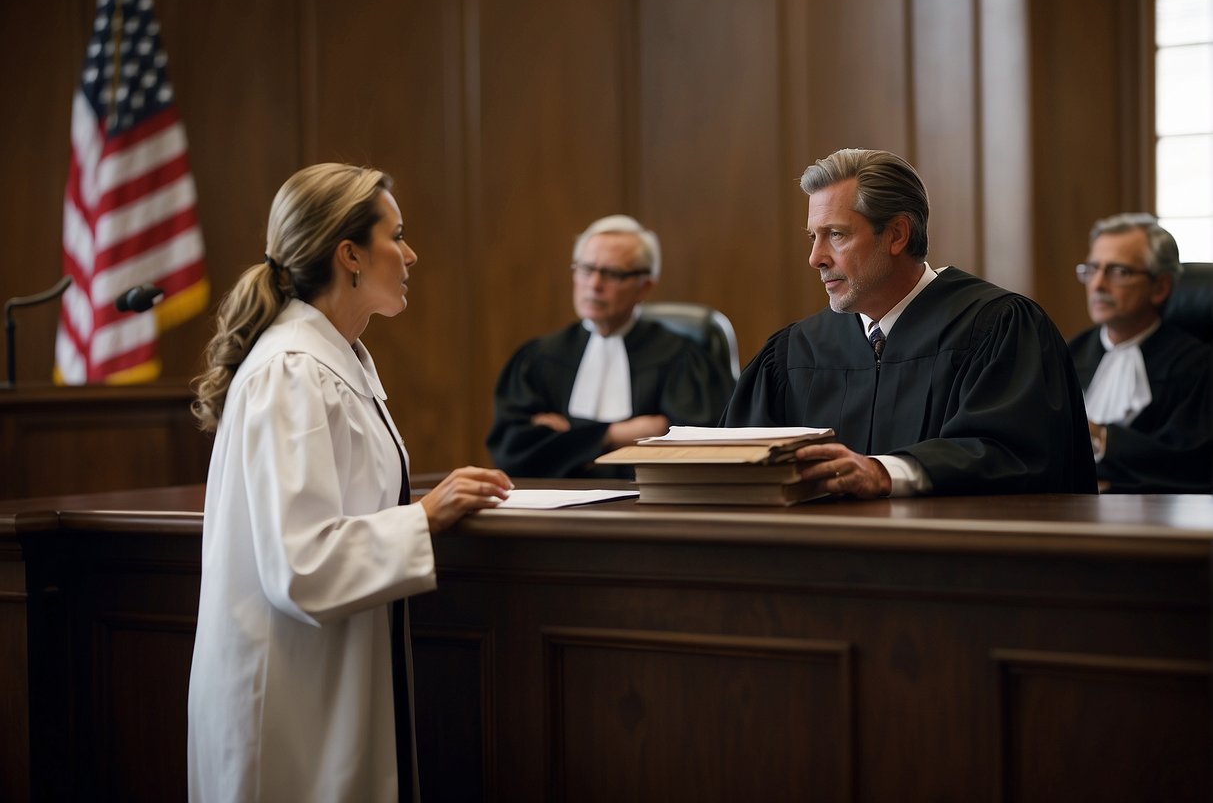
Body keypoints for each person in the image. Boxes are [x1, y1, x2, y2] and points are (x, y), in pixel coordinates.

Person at [187, 163, 512, 802]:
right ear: (350, 255)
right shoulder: (292, 371)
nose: (412, 253)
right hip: (285, 696)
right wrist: (424, 516)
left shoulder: (338, 359)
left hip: (324, 679)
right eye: (398, 235)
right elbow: (300, 564)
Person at [721, 147, 1097, 498]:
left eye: (836, 235)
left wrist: (886, 472)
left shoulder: (998, 328)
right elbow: (737, 462)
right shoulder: (795, 351)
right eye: (813, 237)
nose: (816, 258)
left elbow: (1017, 456)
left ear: (897, 234)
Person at [486, 214, 734, 478]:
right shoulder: (539, 358)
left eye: (612, 274)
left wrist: (570, 436)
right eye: (586, 269)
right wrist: (617, 434)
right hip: (556, 508)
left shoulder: (681, 358)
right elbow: (512, 451)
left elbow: (701, 447)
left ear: (644, 286)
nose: (594, 285)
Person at [1068, 213, 1212, 493]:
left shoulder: (1197, 366)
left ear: (1160, 287)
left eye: (1118, 271)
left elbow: (1189, 462)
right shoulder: (1068, 354)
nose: (1097, 285)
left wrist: (1101, 438)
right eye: (1092, 269)